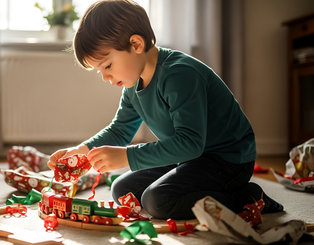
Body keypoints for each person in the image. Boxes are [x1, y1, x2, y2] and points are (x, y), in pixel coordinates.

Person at [47, 0, 283, 220]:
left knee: (158, 200)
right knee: (122, 188)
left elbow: (190, 142)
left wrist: (127, 156)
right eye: (99, 70)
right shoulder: (133, 85)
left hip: (228, 161)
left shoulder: (180, 75)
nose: (105, 77)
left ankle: (246, 197)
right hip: (190, 157)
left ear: (136, 44)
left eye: (107, 66)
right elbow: (120, 131)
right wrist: (81, 151)